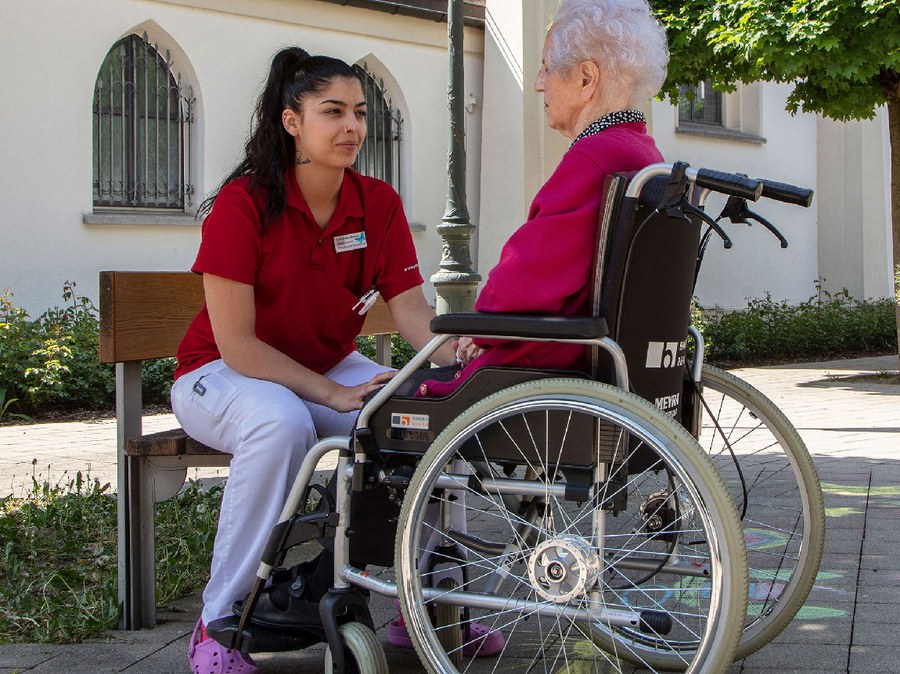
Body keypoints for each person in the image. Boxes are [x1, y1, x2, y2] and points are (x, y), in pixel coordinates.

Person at [171, 47, 462, 673]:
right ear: (292, 121)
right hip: (218, 374)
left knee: (428, 422)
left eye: (360, 112)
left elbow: (412, 311)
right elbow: (238, 344)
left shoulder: (377, 203)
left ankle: (424, 610)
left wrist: (461, 348)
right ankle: (220, 623)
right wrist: (328, 394)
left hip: (323, 366)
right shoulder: (244, 204)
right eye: (333, 111)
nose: (351, 126)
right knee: (281, 423)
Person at [417, 0, 669, 398]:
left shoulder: (595, 157)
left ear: (586, 78)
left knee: (391, 406)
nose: (538, 84)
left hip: (550, 363)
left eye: (547, 68)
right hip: (598, 355)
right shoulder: (643, 153)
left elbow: (529, 271)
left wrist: (480, 328)